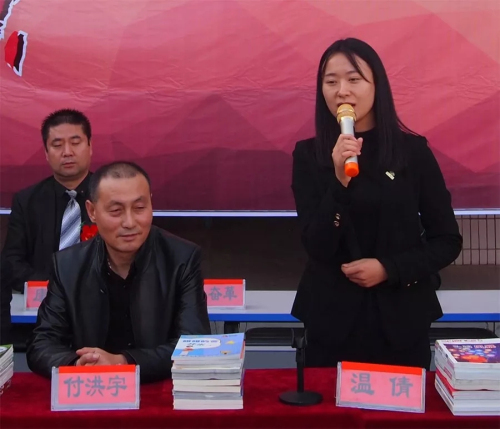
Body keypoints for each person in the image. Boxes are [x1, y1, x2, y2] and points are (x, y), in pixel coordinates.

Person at [291, 38, 462, 370]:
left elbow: (447, 240)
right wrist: (339, 182)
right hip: (332, 323)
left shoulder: (412, 153)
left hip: (401, 320)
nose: (342, 91)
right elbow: (316, 245)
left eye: (354, 79)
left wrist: (389, 269)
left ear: (376, 85)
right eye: (331, 82)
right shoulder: (309, 155)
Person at [27, 161, 211, 383]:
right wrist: (79, 364)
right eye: (116, 211)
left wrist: (122, 362)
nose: (130, 222)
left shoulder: (182, 259)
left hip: (159, 388)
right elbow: (41, 345)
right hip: (92, 389)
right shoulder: (68, 265)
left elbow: (194, 345)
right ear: (92, 211)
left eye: (139, 208)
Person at [0, 109, 93, 345]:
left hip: (101, 310)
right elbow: (12, 261)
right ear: (46, 153)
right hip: (42, 314)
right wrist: (53, 289)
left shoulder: (112, 196)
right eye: (57, 145)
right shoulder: (27, 200)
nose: (67, 152)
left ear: (90, 146)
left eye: (75, 142)